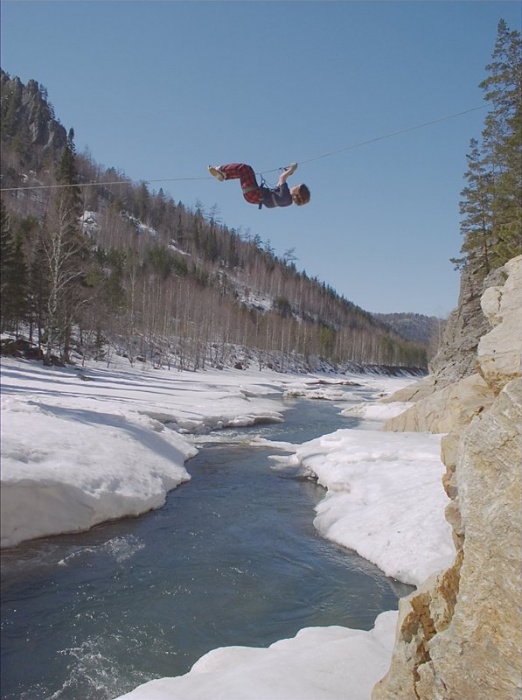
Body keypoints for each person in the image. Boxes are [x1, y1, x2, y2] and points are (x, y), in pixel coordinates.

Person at [208, 162, 310, 209]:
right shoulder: (286, 200)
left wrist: (292, 169)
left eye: (297, 186)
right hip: (254, 196)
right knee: (245, 172)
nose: (294, 185)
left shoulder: (286, 196)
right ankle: (224, 175)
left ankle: (220, 170)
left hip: (254, 194)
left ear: (298, 192)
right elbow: (280, 183)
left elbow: (282, 179)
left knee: (245, 168)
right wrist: (288, 173)